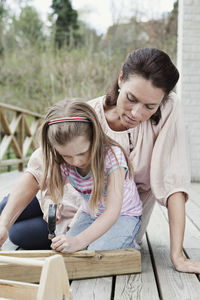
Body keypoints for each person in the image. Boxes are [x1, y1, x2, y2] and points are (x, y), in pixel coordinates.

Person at [0, 47, 200, 272]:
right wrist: (4, 223)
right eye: (131, 98)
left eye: (149, 107)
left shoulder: (168, 109)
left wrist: (177, 255)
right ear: (121, 79)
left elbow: (173, 181)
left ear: (161, 101)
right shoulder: (89, 116)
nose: (136, 113)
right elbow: (40, 167)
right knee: (6, 210)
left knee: (20, 233)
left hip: (109, 216)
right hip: (71, 200)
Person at [40, 100, 142, 252]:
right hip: (90, 215)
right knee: (68, 250)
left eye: (82, 153)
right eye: (67, 155)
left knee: (97, 251)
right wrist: (49, 205)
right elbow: (50, 194)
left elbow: (112, 212)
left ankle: (127, 241)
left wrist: (79, 241)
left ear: (95, 138)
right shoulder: (62, 161)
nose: (76, 161)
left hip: (123, 215)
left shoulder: (112, 157)